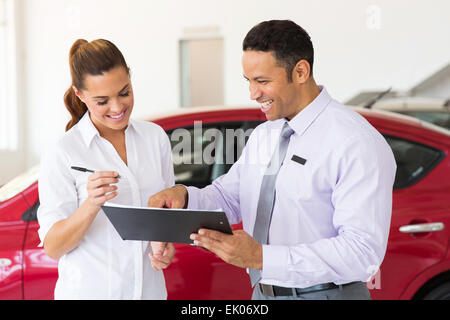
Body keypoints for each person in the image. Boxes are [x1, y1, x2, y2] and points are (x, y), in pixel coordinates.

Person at [148, 20, 397, 300]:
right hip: (263, 295)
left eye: (263, 81)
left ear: (301, 71)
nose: (253, 94)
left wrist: (263, 258)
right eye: (249, 81)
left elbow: (361, 252)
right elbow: (231, 196)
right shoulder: (265, 134)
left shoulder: (355, 141)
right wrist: (185, 198)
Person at [37, 39, 175, 299]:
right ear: (80, 95)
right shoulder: (63, 151)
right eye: (102, 101)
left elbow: (164, 212)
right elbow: (54, 247)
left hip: (150, 293)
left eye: (124, 92)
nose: (117, 108)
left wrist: (164, 244)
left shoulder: (155, 138)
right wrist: (91, 204)